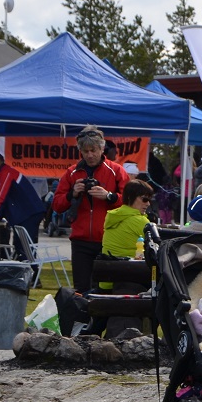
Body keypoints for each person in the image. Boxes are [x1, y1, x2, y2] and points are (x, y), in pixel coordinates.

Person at [51, 126, 127, 294]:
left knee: (105, 290)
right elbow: (56, 205)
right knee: (81, 290)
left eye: (93, 150)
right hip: (81, 242)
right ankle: (81, 320)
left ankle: (102, 321)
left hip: (108, 240)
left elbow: (129, 202)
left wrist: (109, 197)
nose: (90, 155)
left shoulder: (116, 171)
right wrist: (73, 194)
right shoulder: (72, 173)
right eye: (85, 151)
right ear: (80, 151)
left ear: (102, 148)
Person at [0, 151, 47, 259]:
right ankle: (25, 272)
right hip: (27, 213)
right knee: (20, 246)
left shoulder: (6, 173)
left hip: (29, 213)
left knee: (25, 248)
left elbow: (1, 196)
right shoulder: (4, 173)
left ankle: (31, 273)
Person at [100, 179, 154, 263]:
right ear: (130, 197)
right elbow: (158, 244)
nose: (148, 204)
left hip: (106, 266)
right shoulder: (140, 220)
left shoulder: (113, 216)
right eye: (144, 199)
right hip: (131, 268)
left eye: (149, 200)